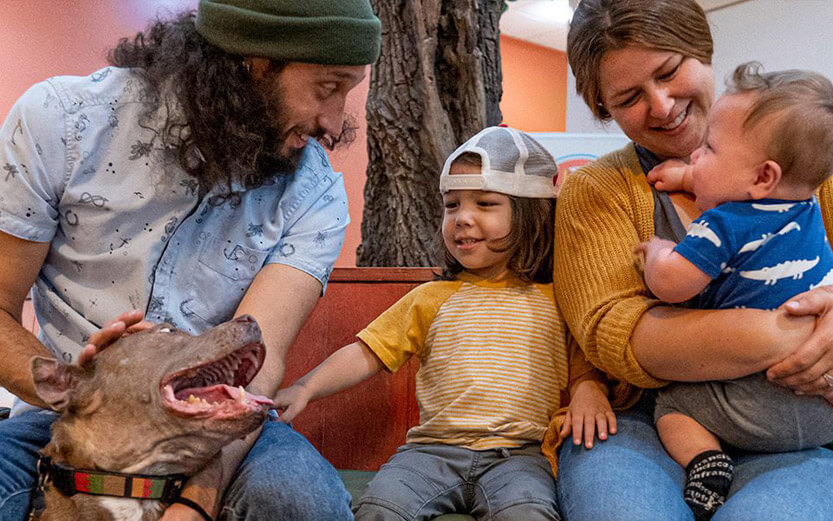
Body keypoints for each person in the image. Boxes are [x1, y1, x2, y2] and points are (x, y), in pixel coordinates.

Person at [0, 1, 381, 520]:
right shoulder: (62, 123)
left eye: (348, 92)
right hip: (68, 415)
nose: (333, 123)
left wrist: (197, 499)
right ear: (252, 62)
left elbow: (260, 365)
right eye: (327, 88)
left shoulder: (314, 193)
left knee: (298, 500)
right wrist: (89, 392)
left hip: (221, 419)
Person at [552, 0, 833, 520]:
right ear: (604, 109)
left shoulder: (810, 163)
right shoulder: (597, 191)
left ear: (702, 52)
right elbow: (621, 336)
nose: (660, 106)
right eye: (630, 97)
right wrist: (801, 328)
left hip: (795, 422)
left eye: (668, 71)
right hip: (638, 420)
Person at [273, 125, 616, 521]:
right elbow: (366, 352)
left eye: (485, 203)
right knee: (378, 509)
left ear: (531, 213)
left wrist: (590, 390)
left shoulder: (560, 298)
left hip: (521, 456)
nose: (462, 218)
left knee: (529, 514)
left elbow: (582, 362)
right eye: (452, 205)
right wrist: (305, 387)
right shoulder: (432, 298)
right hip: (430, 453)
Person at [635, 62, 833, 521]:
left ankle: (706, 460)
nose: (696, 158)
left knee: (673, 405)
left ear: (763, 177)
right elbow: (733, 180)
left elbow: (673, 284)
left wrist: (657, 253)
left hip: (753, 402)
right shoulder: (806, 209)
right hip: (820, 404)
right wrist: (688, 178)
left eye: (708, 149)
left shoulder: (723, 225)